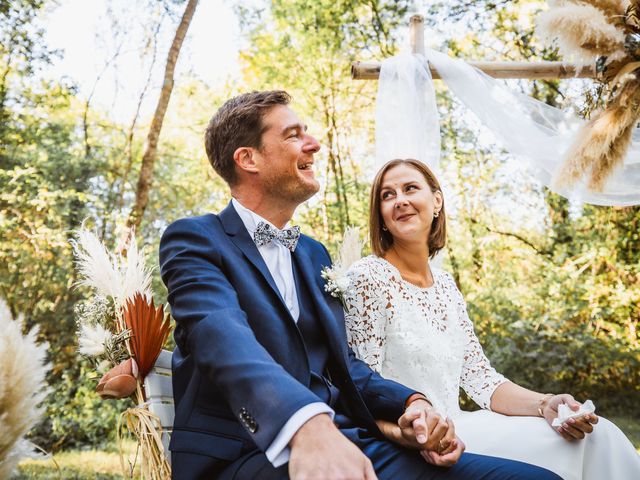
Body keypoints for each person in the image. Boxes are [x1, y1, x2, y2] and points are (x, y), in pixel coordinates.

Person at [159, 91, 564, 479]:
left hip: (348, 439)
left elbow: (347, 366)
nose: (313, 144)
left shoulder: (313, 254)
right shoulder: (195, 239)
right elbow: (224, 339)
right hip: (242, 456)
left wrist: (410, 404)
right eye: (294, 135)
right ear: (248, 159)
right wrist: (306, 424)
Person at [344, 158, 640, 480]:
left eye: (410, 188)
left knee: (597, 436)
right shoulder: (367, 277)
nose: (399, 199)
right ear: (382, 217)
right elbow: (360, 388)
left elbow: (483, 380)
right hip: (425, 440)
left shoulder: (446, 286)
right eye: (387, 195)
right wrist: (412, 434)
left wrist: (546, 403)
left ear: (437, 201)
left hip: (468, 422)